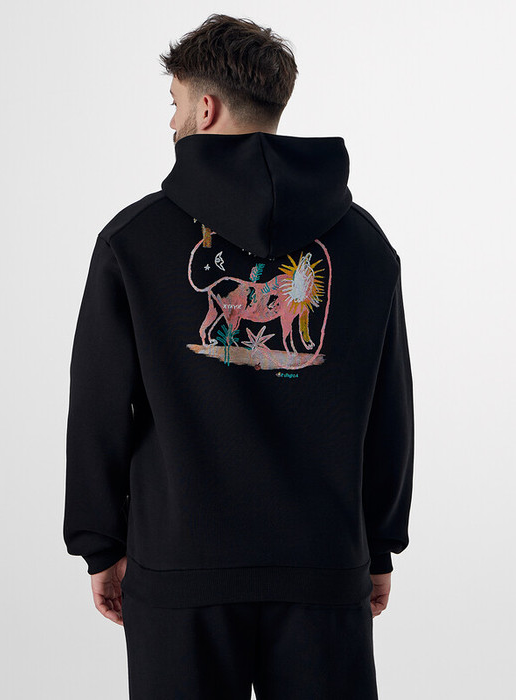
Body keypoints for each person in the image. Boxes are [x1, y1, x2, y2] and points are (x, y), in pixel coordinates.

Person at [63, 12, 415, 700]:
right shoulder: (364, 244)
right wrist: (378, 545)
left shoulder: (133, 239)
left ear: (205, 108)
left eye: (173, 103)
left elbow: (99, 407)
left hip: (179, 571)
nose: (170, 121)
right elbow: (389, 409)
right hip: (323, 568)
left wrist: (99, 543)